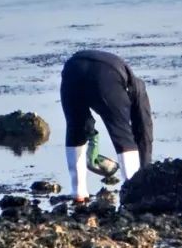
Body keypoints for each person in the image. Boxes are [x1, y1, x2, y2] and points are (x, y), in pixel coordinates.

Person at [60, 47, 154, 201]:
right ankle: (133, 190)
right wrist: (144, 170)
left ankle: (78, 192)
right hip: (106, 74)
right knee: (122, 134)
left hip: (73, 68)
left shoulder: (133, 86)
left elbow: (85, 123)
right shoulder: (139, 91)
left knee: (75, 127)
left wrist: (88, 129)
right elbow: (144, 133)